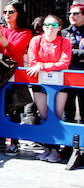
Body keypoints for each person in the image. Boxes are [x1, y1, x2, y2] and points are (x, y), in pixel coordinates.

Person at [0, 0, 33, 154]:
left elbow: (13, 49)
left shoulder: (25, 32)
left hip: (14, 74)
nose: (7, 15)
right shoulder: (0, 29)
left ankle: (14, 140)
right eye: (5, 12)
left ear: (19, 13)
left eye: (11, 11)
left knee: (14, 108)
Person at [26, 14, 72, 163]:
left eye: (53, 25)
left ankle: (55, 151)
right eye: (46, 25)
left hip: (59, 85)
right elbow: (33, 61)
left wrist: (43, 66)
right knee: (44, 115)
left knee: (56, 116)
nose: (49, 29)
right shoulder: (35, 40)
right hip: (40, 84)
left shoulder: (65, 42)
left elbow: (64, 63)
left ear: (59, 28)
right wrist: (41, 67)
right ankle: (47, 148)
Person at [61, 2, 84, 123]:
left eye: (76, 13)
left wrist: (72, 53)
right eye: (70, 13)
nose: (72, 16)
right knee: (68, 110)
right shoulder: (64, 33)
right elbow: (64, 53)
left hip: (83, 75)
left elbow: (70, 52)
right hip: (68, 75)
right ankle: (67, 141)